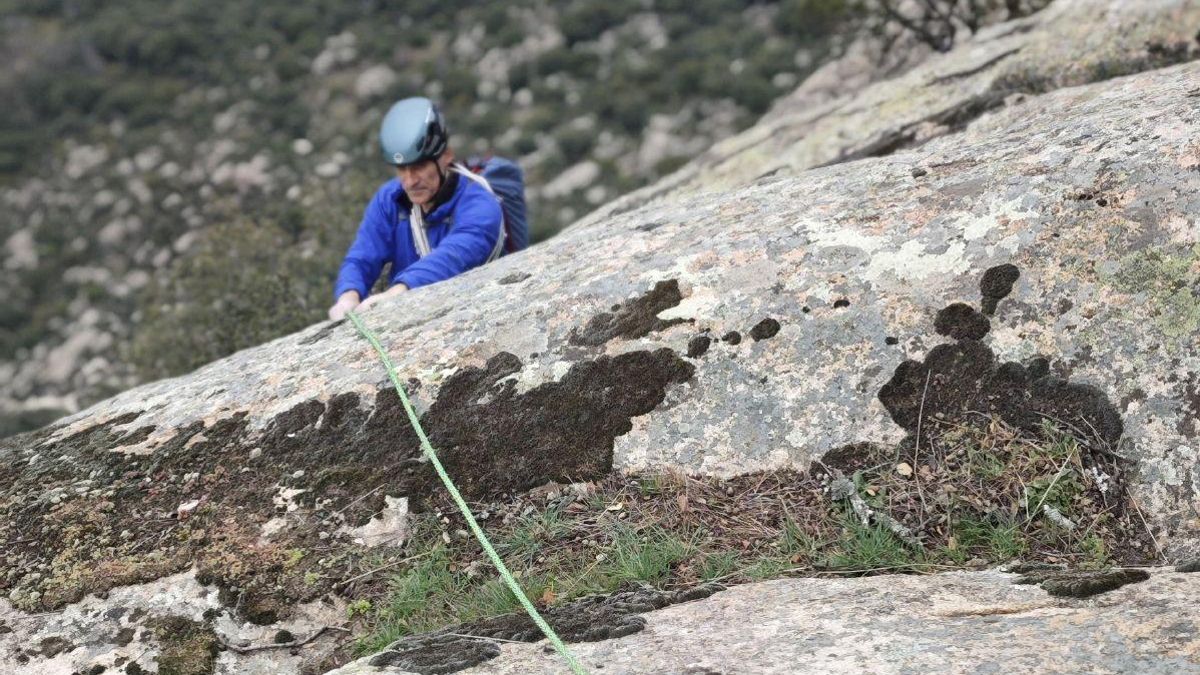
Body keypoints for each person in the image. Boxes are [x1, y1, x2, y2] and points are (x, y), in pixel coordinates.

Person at [328, 96, 523, 321]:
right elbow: (363, 254)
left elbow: (454, 255)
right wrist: (348, 295)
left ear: (446, 156)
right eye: (402, 169)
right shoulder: (390, 199)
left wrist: (399, 291)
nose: (409, 181)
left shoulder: (480, 205)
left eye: (419, 166)